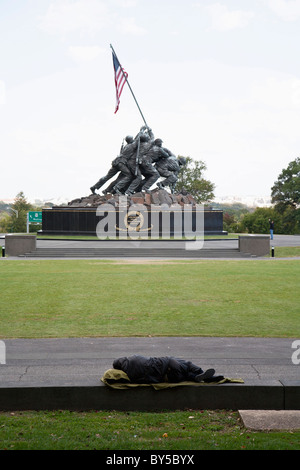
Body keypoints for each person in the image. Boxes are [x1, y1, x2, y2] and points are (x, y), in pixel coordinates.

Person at [113, 355, 217, 384]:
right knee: (187, 364)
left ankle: (195, 377)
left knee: (185, 375)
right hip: (170, 364)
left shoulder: (131, 375)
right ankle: (201, 373)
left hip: (169, 377)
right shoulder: (134, 358)